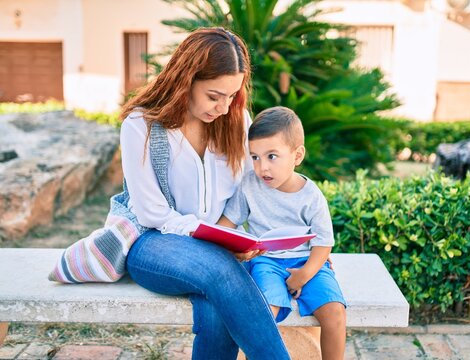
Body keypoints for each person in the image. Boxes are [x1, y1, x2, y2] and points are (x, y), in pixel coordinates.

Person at [119, 27, 290, 360]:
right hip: (154, 245)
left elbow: (249, 189)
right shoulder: (141, 126)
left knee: (215, 305)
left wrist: (234, 234)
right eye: (214, 96)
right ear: (186, 79)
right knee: (220, 269)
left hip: (221, 248)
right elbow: (151, 213)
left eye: (232, 96)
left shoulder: (236, 120)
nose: (224, 108)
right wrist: (216, 240)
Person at [218, 106, 347, 360]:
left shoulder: (311, 196)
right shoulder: (249, 186)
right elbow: (225, 225)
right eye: (254, 157)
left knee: (335, 313)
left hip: (309, 264)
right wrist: (235, 247)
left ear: (297, 155)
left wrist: (304, 274)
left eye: (272, 156)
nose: (262, 167)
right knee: (266, 312)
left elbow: (324, 243)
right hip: (265, 261)